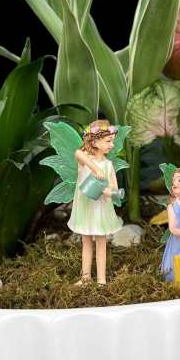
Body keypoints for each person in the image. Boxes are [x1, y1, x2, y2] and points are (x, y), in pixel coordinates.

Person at [68, 120, 123, 286]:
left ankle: (101, 279)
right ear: (94, 142)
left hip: (101, 209)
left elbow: (114, 188)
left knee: (101, 242)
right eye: (108, 141)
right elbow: (78, 153)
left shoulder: (108, 165)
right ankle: (85, 277)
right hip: (85, 207)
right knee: (86, 241)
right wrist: (95, 169)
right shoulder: (85, 160)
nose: (112, 145)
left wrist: (107, 191)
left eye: (112, 141)